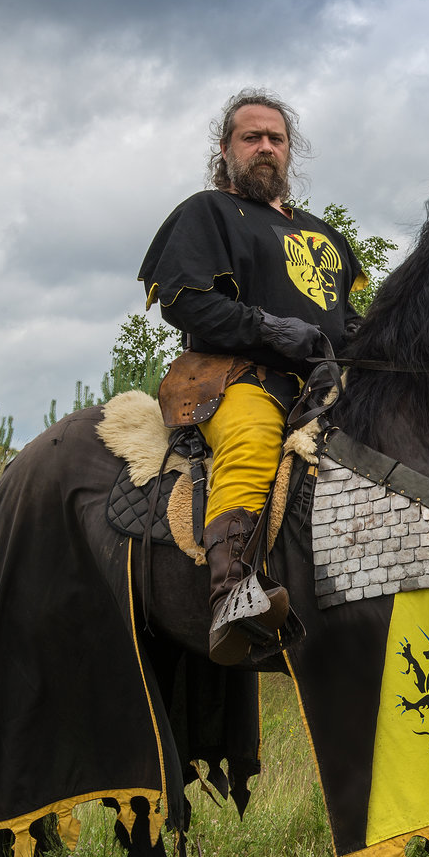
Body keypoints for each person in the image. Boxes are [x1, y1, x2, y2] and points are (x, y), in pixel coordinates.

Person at [139, 89, 366, 664]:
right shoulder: (208, 212)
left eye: (276, 138)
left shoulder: (325, 235)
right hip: (236, 376)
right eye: (252, 137)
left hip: (325, 384)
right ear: (226, 148)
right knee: (251, 442)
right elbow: (186, 302)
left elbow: (345, 318)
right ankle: (232, 595)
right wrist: (269, 329)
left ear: (290, 151)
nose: (265, 146)